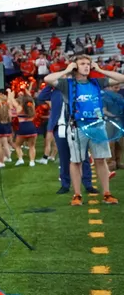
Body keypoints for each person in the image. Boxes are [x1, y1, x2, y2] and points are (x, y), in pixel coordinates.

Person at [45, 55, 124, 205]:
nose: (86, 66)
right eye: (82, 64)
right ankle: (77, 195)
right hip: (77, 126)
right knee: (76, 161)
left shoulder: (96, 82)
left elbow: (121, 78)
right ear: (75, 67)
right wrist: (67, 69)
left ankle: (107, 193)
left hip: (97, 126)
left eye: (88, 64)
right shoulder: (66, 84)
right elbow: (48, 79)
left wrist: (100, 69)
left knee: (100, 160)